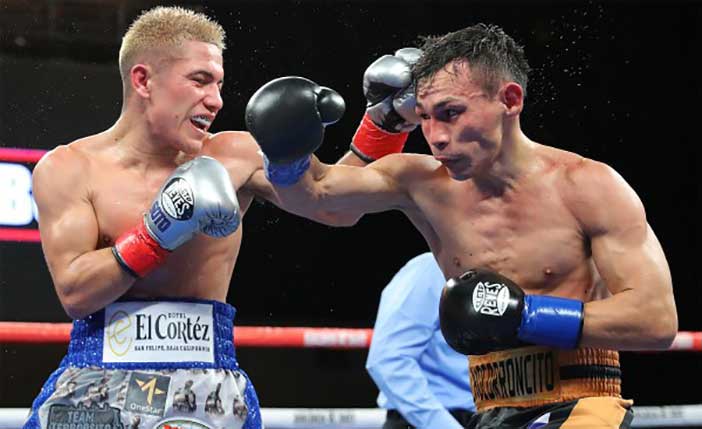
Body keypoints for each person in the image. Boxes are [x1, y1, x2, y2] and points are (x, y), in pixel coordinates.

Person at [245, 23, 678, 428]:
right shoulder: (421, 183)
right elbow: (319, 197)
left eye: (450, 113)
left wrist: (525, 316)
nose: (434, 136)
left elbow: (655, 320)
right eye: (425, 116)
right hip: (487, 410)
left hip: (584, 404)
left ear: (510, 100)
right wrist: (285, 155)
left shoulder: (586, 185)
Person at [24, 6, 349, 429]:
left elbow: (333, 205)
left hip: (208, 384)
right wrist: (158, 230)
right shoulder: (70, 168)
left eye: (218, 84)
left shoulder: (236, 156)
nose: (214, 100)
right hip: (98, 381)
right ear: (143, 80)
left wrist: (384, 123)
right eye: (199, 80)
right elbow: (76, 294)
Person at [366, 252, 475, 429]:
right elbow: (388, 360)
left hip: (487, 417)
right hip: (429, 420)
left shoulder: (509, 274)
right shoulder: (428, 270)